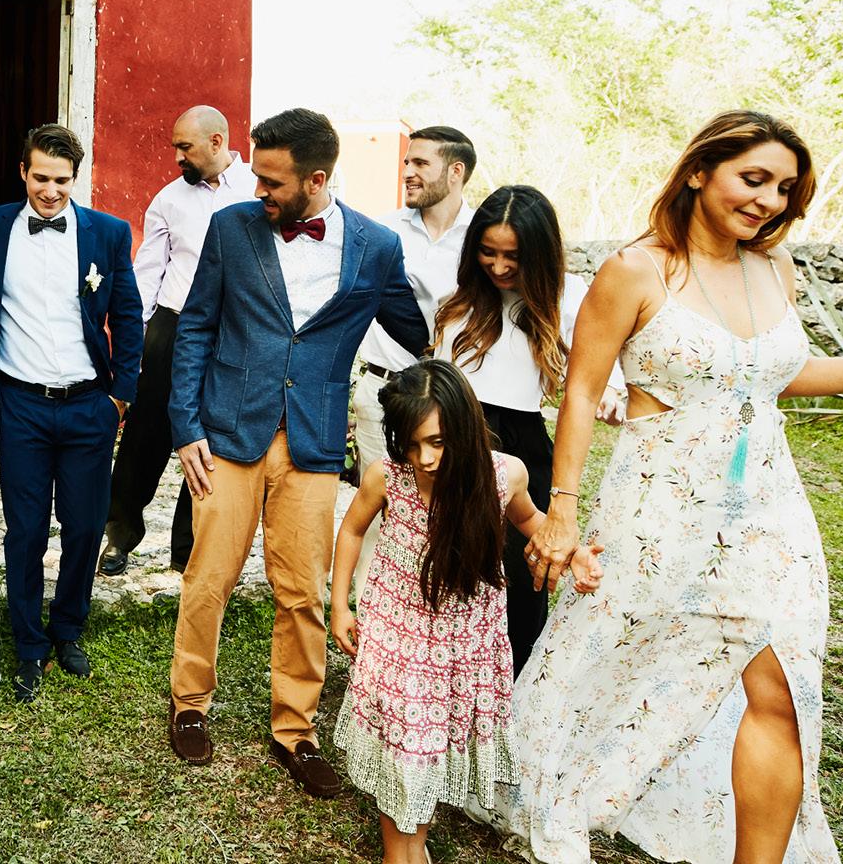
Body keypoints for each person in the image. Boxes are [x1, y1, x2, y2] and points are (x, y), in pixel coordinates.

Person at [501, 110, 843, 864]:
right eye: (754, 179)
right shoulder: (636, 269)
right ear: (699, 172)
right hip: (658, 502)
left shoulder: (775, 268)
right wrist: (562, 512)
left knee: (782, 690)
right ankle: (557, 793)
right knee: (614, 659)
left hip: (770, 507)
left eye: (784, 188)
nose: (769, 200)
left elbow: (783, 376)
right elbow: (584, 394)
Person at [164, 107, 426, 796]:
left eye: (274, 182)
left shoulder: (374, 245)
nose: (261, 192)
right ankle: (189, 705)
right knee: (208, 578)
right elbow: (195, 327)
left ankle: (296, 730)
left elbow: (417, 325)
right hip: (226, 434)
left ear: (316, 179)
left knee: (304, 591)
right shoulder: (231, 228)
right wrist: (186, 425)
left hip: (312, 439)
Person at [328, 360, 602, 864]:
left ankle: (415, 845)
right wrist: (340, 603)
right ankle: (400, 854)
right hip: (399, 629)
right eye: (412, 444)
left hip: (465, 638)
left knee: (426, 748)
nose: (425, 458)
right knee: (404, 749)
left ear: (466, 426)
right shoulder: (387, 478)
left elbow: (531, 520)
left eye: (437, 441)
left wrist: (572, 549)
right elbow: (350, 531)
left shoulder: (505, 475)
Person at [0, 124, 143, 703]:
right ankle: (27, 644)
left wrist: (121, 393)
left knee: (86, 524)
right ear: (23, 172)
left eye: (62, 181)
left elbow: (128, 313)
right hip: (18, 403)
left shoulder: (108, 234)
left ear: (77, 178)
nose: (50, 191)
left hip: (88, 402)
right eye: (41, 178)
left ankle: (68, 629)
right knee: (24, 531)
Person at [430, 184, 624, 672]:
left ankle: (512, 689)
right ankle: (444, 682)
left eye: (512, 256)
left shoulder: (570, 295)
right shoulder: (455, 298)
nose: (498, 267)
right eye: (487, 252)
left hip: (522, 445)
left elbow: (603, 365)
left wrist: (614, 391)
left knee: (523, 576)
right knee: (452, 572)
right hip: (458, 437)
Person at [100, 105, 255, 577]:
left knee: (210, 436)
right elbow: (148, 273)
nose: (177, 158)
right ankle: (120, 535)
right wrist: (140, 339)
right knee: (144, 435)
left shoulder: (255, 191)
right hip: (173, 325)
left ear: (216, 142)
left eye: (184, 147)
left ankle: (188, 551)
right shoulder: (169, 198)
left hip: (232, 330)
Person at [345, 126, 477, 601]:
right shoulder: (380, 233)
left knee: (453, 513)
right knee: (380, 511)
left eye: (421, 163)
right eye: (406, 162)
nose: (408, 172)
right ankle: (372, 631)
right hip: (385, 394)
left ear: (455, 171)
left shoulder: (483, 236)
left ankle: (440, 625)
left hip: (457, 399)